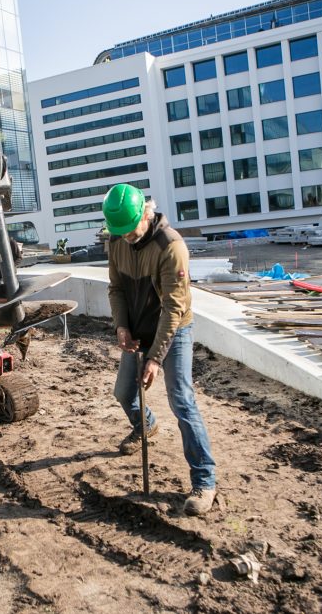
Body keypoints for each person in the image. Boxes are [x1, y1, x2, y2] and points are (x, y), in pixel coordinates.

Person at [102, 183, 217, 516]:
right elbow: (116, 289)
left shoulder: (171, 247)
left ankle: (205, 480)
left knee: (181, 400)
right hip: (137, 327)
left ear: (146, 213)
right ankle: (145, 425)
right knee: (124, 392)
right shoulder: (116, 240)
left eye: (129, 230)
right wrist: (122, 327)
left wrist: (154, 359)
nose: (125, 237)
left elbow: (173, 309)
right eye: (118, 232)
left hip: (173, 328)